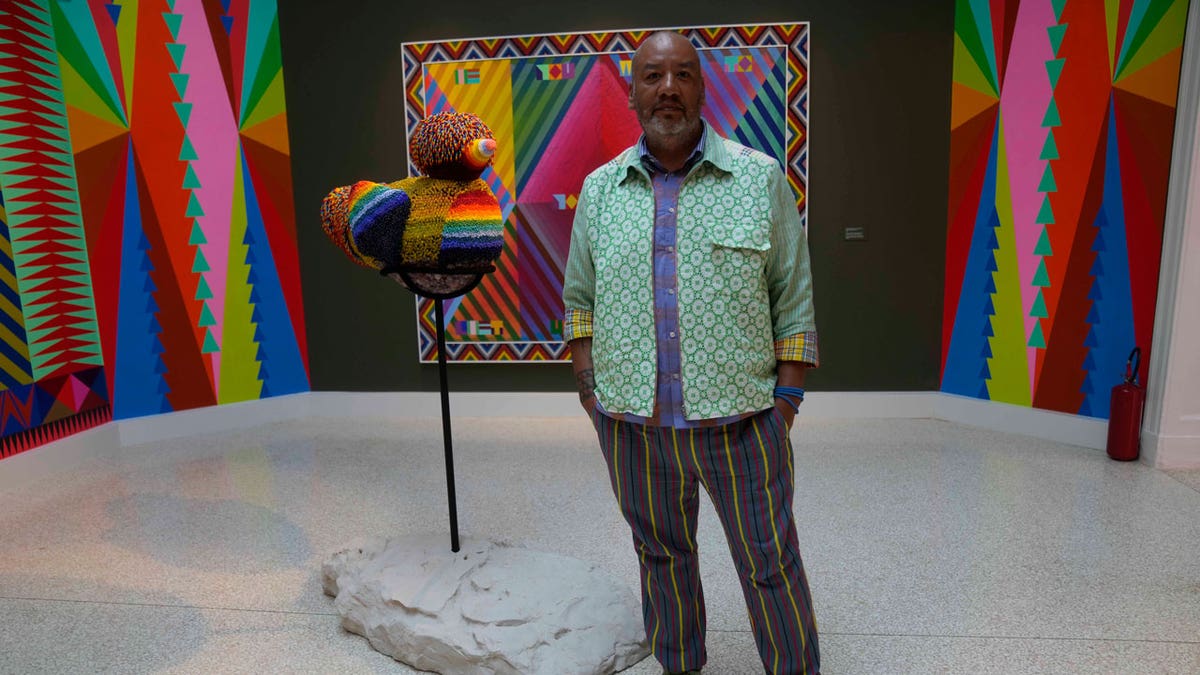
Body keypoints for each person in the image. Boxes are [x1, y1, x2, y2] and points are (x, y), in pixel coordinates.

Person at [561, 30, 821, 675]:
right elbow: (578, 302)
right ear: (632, 93)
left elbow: (794, 297)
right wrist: (592, 394)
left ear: (703, 88)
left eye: (682, 75)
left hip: (744, 423)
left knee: (770, 563)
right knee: (661, 557)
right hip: (631, 427)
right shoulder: (599, 190)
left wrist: (784, 402)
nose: (668, 88)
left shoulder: (758, 179)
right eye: (652, 76)